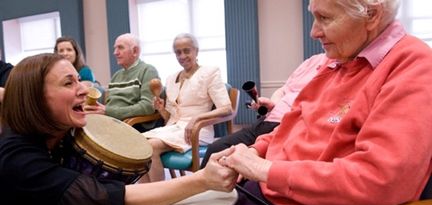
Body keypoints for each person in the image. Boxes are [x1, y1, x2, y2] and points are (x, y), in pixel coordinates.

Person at [145, 0, 432, 205]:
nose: (314, 32)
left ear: (372, 15)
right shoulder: (338, 62)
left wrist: (265, 169)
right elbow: (290, 128)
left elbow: (380, 181)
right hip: (274, 197)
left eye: (325, 18)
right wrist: (252, 151)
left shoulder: (413, 67)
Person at [0, 53, 238, 205]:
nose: (84, 89)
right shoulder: (17, 157)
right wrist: (202, 180)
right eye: (68, 83)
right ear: (35, 100)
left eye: (78, 79)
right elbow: (113, 199)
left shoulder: (60, 133)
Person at [200, 54, 327, 168]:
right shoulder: (312, 61)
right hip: (267, 121)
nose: (314, 33)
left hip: (290, 127)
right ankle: (199, 190)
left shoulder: (337, 70)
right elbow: (283, 90)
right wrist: (273, 104)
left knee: (241, 169)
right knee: (215, 149)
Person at [140, 33, 233, 183]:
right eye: (178, 52)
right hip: (174, 128)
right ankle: (144, 195)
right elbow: (171, 118)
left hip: (197, 130)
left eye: (186, 51)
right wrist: (162, 110)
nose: (182, 56)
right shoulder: (171, 78)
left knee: (150, 147)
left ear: (196, 51)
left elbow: (227, 109)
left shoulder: (210, 72)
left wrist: (197, 118)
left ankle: (158, 195)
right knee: (139, 144)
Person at [84, 33, 160, 132]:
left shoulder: (148, 70)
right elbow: (109, 105)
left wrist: (108, 111)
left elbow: (147, 106)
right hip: (110, 122)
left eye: (120, 48)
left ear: (135, 51)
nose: (115, 52)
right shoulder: (116, 75)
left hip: (132, 126)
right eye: (115, 48)